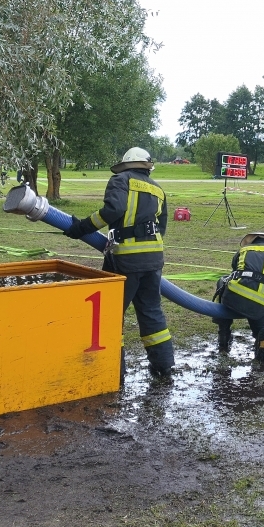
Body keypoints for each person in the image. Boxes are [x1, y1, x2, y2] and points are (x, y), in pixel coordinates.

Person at [65, 147, 173, 377]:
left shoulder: (120, 179)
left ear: (125, 164)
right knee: (152, 311)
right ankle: (163, 365)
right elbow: (161, 226)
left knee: (112, 315)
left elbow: (113, 210)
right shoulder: (158, 189)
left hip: (125, 260)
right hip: (154, 260)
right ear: (147, 166)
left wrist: (81, 227)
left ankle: (115, 370)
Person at [213, 232, 264, 362]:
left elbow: (234, 272)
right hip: (261, 303)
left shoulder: (243, 251)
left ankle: (223, 338)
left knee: (222, 281)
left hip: (233, 297)